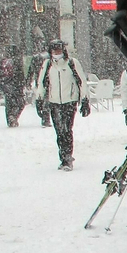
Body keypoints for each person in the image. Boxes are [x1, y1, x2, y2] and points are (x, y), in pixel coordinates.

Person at [31, 39, 89, 170]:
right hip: (54, 102)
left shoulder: (72, 63)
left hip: (69, 101)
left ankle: (68, 157)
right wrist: (39, 100)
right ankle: (62, 157)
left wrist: (84, 99)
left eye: (59, 50)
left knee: (67, 129)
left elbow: (82, 82)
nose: (57, 53)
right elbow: (41, 83)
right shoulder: (47, 65)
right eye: (54, 50)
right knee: (59, 131)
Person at [0, 48, 27, 128]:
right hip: (16, 84)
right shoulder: (16, 61)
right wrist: (22, 83)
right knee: (20, 102)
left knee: (9, 103)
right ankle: (13, 116)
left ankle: (10, 119)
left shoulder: (3, 62)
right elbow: (20, 74)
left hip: (5, 84)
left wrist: (2, 83)